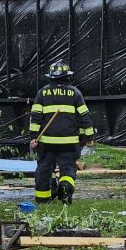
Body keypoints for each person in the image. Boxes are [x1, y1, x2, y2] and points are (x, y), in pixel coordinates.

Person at [29, 61, 96, 204]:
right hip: (69, 143)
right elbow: (84, 116)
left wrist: (34, 137)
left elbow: (35, 118)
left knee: (44, 170)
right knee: (68, 168)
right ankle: (65, 187)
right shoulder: (75, 93)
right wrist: (88, 136)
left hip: (46, 143)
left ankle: (42, 199)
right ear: (67, 77)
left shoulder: (42, 93)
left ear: (50, 77)